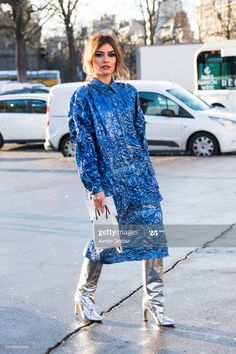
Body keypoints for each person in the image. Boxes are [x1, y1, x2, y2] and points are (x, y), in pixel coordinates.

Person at [68, 33, 175, 327]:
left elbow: (140, 136)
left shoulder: (129, 93)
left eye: (111, 54)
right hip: (106, 184)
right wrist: (94, 186)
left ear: (118, 58)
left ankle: (154, 305)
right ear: (90, 59)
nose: (106, 60)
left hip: (140, 181)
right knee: (105, 242)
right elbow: (84, 143)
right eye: (100, 54)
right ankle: (84, 297)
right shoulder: (83, 97)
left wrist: (146, 172)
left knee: (154, 239)